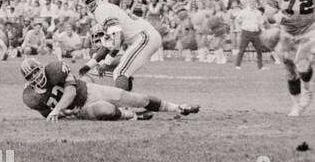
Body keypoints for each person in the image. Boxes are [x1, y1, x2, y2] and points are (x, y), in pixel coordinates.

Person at [20, 56, 197, 122]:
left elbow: (70, 91)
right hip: (80, 110)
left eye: (36, 72)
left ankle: (177, 108)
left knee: (137, 99)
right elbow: (46, 113)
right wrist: (63, 114)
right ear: (27, 80)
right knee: (105, 108)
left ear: (41, 68)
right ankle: (130, 115)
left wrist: (58, 109)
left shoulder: (55, 69)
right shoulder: (30, 96)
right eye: (30, 76)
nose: (35, 77)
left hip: (89, 91)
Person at [266, 0, 314, 117]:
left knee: (302, 62)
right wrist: (277, 16)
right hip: (288, 30)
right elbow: (269, 12)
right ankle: (296, 105)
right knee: (289, 69)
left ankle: (307, 91)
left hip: (310, 28)